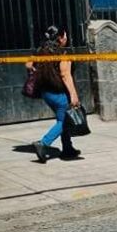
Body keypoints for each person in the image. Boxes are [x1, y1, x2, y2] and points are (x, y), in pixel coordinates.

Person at [29, 25, 82, 163]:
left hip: (46, 93)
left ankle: (68, 149)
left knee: (62, 118)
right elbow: (65, 75)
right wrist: (73, 95)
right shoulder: (63, 53)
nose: (66, 38)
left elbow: (28, 64)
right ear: (60, 38)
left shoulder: (41, 50)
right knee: (64, 122)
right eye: (65, 36)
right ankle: (43, 143)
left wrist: (40, 70)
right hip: (59, 93)